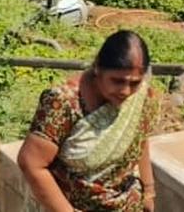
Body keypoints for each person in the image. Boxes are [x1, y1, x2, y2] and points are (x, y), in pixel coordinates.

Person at [18, 30, 159, 212]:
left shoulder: (139, 97)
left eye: (134, 83)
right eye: (117, 81)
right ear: (98, 68)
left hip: (125, 203)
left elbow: (139, 140)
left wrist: (148, 192)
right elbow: (31, 163)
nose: (125, 91)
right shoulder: (64, 102)